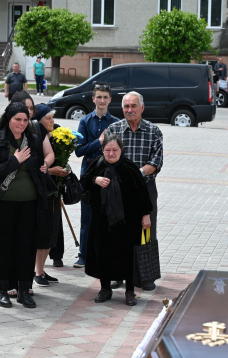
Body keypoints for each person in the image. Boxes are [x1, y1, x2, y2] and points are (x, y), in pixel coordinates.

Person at [0, 102, 48, 309]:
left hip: (30, 203)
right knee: (5, 247)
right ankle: (2, 290)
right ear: (8, 119)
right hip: (5, 203)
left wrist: (43, 168)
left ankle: (24, 290)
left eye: (25, 120)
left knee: (26, 247)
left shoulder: (33, 140)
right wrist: (15, 160)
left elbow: (38, 165)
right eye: (17, 119)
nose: (21, 123)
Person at [81, 134, 153, 306]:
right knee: (103, 254)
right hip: (101, 220)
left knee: (128, 255)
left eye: (115, 150)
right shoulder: (96, 165)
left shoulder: (130, 167)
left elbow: (142, 193)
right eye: (108, 150)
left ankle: (130, 292)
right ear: (102, 150)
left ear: (121, 150)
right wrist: (95, 180)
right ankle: (105, 289)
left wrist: (146, 215)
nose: (111, 153)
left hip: (128, 222)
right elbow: (82, 182)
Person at [105, 91, 163, 291]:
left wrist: (135, 175)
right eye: (126, 107)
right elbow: (107, 158)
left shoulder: (154, 131)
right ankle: (117, 274)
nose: (129, 110)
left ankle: (146, 276)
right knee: (118, 232)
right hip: (118, 190)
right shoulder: (113, 129)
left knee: (146, 231)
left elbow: (156, 162)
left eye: (133, 106)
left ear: (142, 108)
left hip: (145, 189)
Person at [73, 83, 119, 268]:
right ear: (93, 99)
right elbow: (79, 151)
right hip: (89, 175)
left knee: (109, 216)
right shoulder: (85, 122)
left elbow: (119, 150)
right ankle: (83, 255)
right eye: (98, 97)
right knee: (87, 218)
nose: (101, 100)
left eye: (105, 97)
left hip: (110, 175)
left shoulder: (115, 122)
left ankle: (106, 253)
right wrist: (99, 142)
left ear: (110, 100)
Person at [32, 104, 66, 287]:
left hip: (53, 190)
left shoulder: (56, 134)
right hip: (41, 191)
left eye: (53, 118)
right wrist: (51, 171)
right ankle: (37, 272)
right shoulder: (35, 136)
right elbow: (38, 167)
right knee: (43, 232)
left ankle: (42, 269)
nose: (53, 122)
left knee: (51, 231)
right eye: (48, 118)